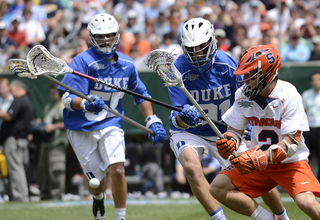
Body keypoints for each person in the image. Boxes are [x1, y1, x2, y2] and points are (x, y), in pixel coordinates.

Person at [167, 18, 289, 220]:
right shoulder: (178, 69)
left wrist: (246, 127)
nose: (197, 53)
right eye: (192, 49)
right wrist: (183, 118)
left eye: (201, 47)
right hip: (192, 132)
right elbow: (177, 119)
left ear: (212, 42)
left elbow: (245, 100)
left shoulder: (228, 64)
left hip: (226, 130)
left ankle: (282, 217)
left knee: (255, 171)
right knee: (190, 166)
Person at [58, 13, 166, 220]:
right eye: (100, 36)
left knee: (117, 171)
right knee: (96, 184)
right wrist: (85, 102)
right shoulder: (82, 62)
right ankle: (98, 199)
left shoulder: (127, 64)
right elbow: (66, 100)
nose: (105, 40)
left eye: (109, 35)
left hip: (110, 122)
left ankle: (120, 217)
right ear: (91, 37)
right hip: (81, 126)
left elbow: (140, 94)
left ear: (117, 35)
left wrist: (151, 119)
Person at [210, 45, 320, 219]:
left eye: (250, 75)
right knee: (217, 187)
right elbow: (235, 130)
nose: (245, 80)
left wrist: (261, 157)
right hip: (259, 162)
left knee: (307, 203)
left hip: (290, 163)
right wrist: (230, 139)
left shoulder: (288, 94)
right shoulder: (242, 95)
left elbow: (291, 143)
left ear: (267, 74)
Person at [0, 79, 34, 202]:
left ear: (18, 88)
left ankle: (20, 196)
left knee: (15, 168)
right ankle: (20, 195)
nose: (10, 90)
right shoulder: (27, 100)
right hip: (19, 139)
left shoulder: (20, 100)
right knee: (17, 167)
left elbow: (8, 116)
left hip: (13, 139)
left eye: (12, 88)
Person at [37, 84, 69, 200]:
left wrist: (53, 127)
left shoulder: (62, 106)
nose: (51, 95)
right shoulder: (48, 106)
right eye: (50, 92)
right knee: (42, 170)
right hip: (46, 143)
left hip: (57, 143)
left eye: (54, 92)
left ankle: (57, 195)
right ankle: (45, 195)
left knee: (56, 169)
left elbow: (67, 123)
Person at [302, 71, 320, 181]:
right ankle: (306, 181)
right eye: (314, 80)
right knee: (305, 157)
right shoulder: (306, 94)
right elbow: (303, 111)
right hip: (308, 129)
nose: (316, 82)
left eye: (318, 79)